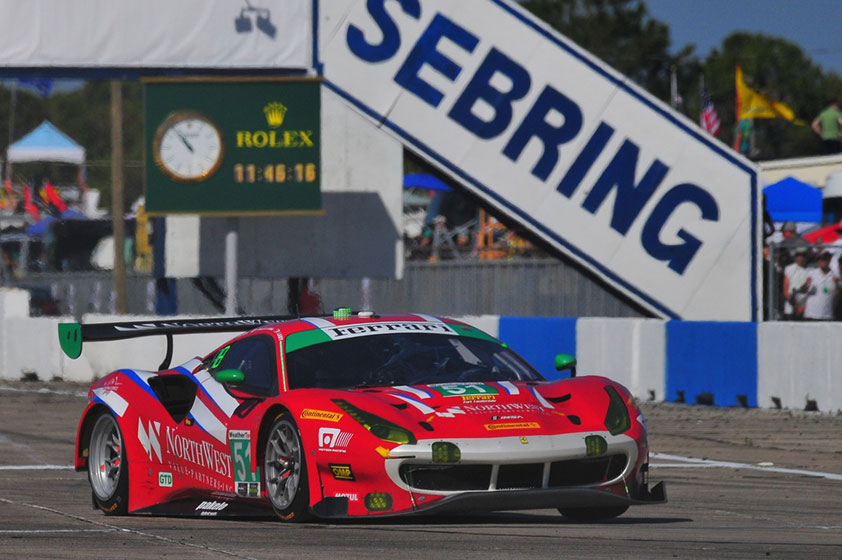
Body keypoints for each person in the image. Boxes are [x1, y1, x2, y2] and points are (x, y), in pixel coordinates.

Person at [803, 251, 839, 320]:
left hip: (827, 315)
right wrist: (806, 284)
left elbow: (838, 295)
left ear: (829, 261)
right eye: (819, 259)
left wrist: (836, 284)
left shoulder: (835, 276)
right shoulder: (811, 273)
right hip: (811, 314)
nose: (820, 261)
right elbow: (804, 290)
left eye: (823, 259)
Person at [782, 247, 810, 320]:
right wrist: (795, 305)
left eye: (803, 255)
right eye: (798, 255)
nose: (800, 258)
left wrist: (802, 307)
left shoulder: (810, 270)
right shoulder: (789, 269)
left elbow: (808, 289)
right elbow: (785, 290)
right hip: (790, 307)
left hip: (805, 309)